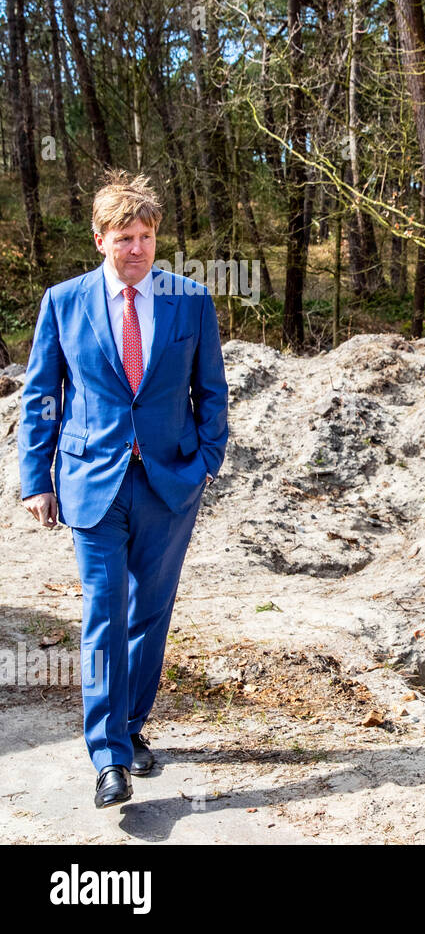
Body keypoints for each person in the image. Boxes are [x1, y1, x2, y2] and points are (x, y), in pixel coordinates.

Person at [17, 170, 229, 809]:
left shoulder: (190, 300)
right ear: (99, 238)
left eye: (145, 236)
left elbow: (211, 390)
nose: (135, 249)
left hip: (171, 483)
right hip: (91, 483)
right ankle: (108, 757)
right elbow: (40, 397)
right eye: (122, 237)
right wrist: (36, 479)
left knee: (149, 614)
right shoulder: (64, 301)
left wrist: (207, 462)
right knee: (103, 613)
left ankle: (132, 727)